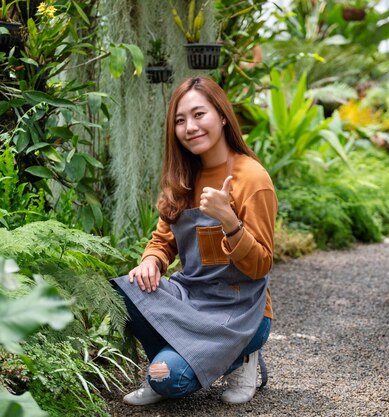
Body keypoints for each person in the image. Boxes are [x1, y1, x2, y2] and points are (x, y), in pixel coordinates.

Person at [112, 76, 277, 406]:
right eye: (180, 120)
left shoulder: (252, 179)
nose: (190, 127)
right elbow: (162, 240)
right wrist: (151, 261)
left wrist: (229, 220)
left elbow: (260, 266)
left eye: (199, 114)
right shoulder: (182, 178)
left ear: (222, 115)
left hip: (241, 312)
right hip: (191, 300)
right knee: (126, 289)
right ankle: (168, 363)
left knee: (166, 379)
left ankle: (241, 358)